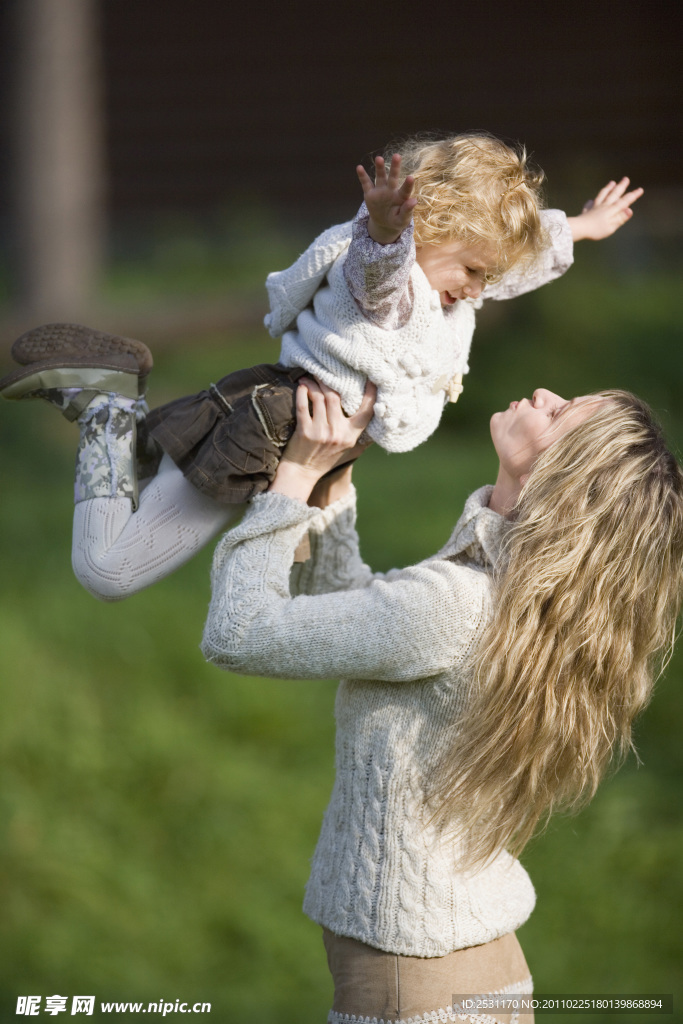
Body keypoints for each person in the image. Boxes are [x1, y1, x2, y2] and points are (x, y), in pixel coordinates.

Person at [199, 377, 683, 1024]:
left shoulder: (458, 602)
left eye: (560, 411)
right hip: (465, 962)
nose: (541, 392)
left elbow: (239, 634)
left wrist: (290, 482)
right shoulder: (505, 591)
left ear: (562, 473)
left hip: (414, 987)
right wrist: (331, 481)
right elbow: (369, 621)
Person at [0, 134, 642, 599]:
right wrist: (388, 235)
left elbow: (509, 271)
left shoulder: (446, 287)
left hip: (302, 436)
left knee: (145, 476)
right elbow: (377, 271)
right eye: (472, 271)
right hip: (276, 431)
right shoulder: (390, 284)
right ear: (424, 228)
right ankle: (109, 401)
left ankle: (119, 415)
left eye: (487, 275)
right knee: (109, 571)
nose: (479, 289)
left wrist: (581, 228)